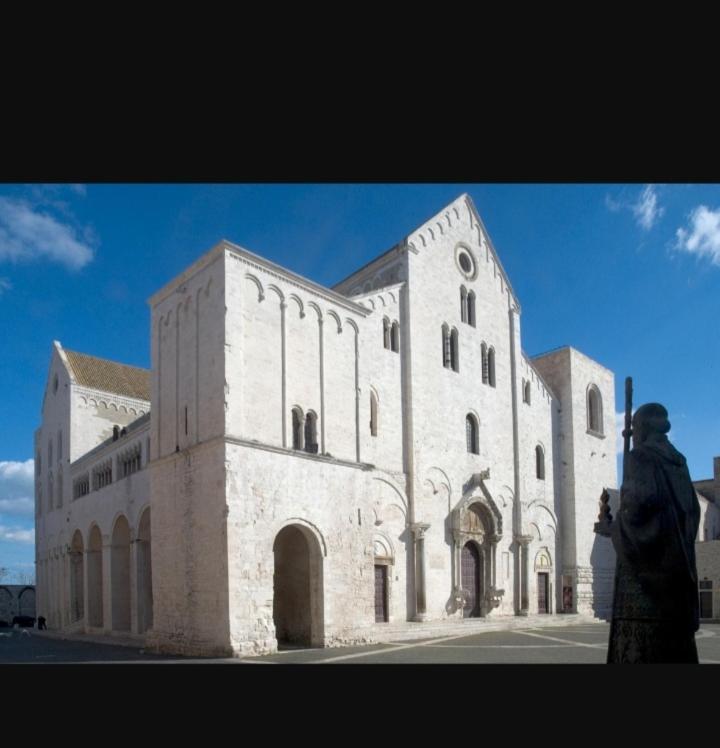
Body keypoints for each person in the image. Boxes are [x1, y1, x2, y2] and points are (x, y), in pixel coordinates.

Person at [607, 403, 700, 663]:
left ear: (644, 427)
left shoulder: (640, 458)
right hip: (676, 585)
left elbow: (636, 512)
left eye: (634, 428)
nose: (632, 434)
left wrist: (614, 528)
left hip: (644, 593)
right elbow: (692, 514)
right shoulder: (680, 464)